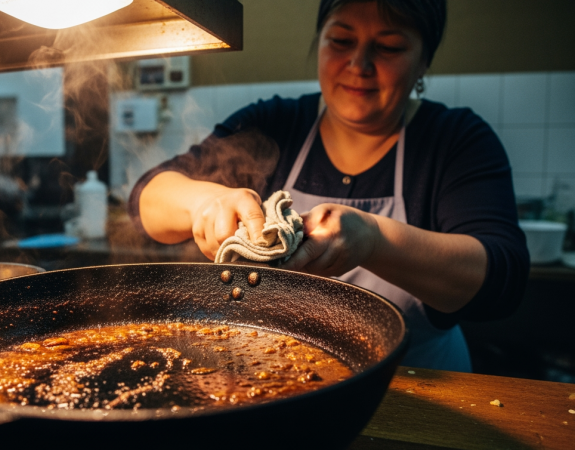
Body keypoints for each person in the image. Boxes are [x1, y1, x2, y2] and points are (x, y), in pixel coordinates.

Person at [128, 0, 529, 372]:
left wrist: (372, 239)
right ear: (320, 40)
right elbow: (146, 199)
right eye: (340, 40)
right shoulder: (274, 123)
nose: (359, 63)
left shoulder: (455, 140)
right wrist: (205, 202)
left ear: (424, 60)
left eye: (388, 47)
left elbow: (500, 281)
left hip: (419, 387)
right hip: (275, 376)